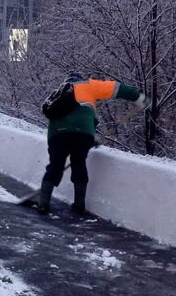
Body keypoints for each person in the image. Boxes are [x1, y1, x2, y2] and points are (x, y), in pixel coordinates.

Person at [37, 71, 147, 216]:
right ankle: (79, 206)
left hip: (57, 133)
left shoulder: (58, 93)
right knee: (79, 163)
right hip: (82, 133)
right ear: (80, 79)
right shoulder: (87, 85)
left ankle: (43, 204)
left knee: (55, 165)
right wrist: (139, 97)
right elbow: (116, 88)